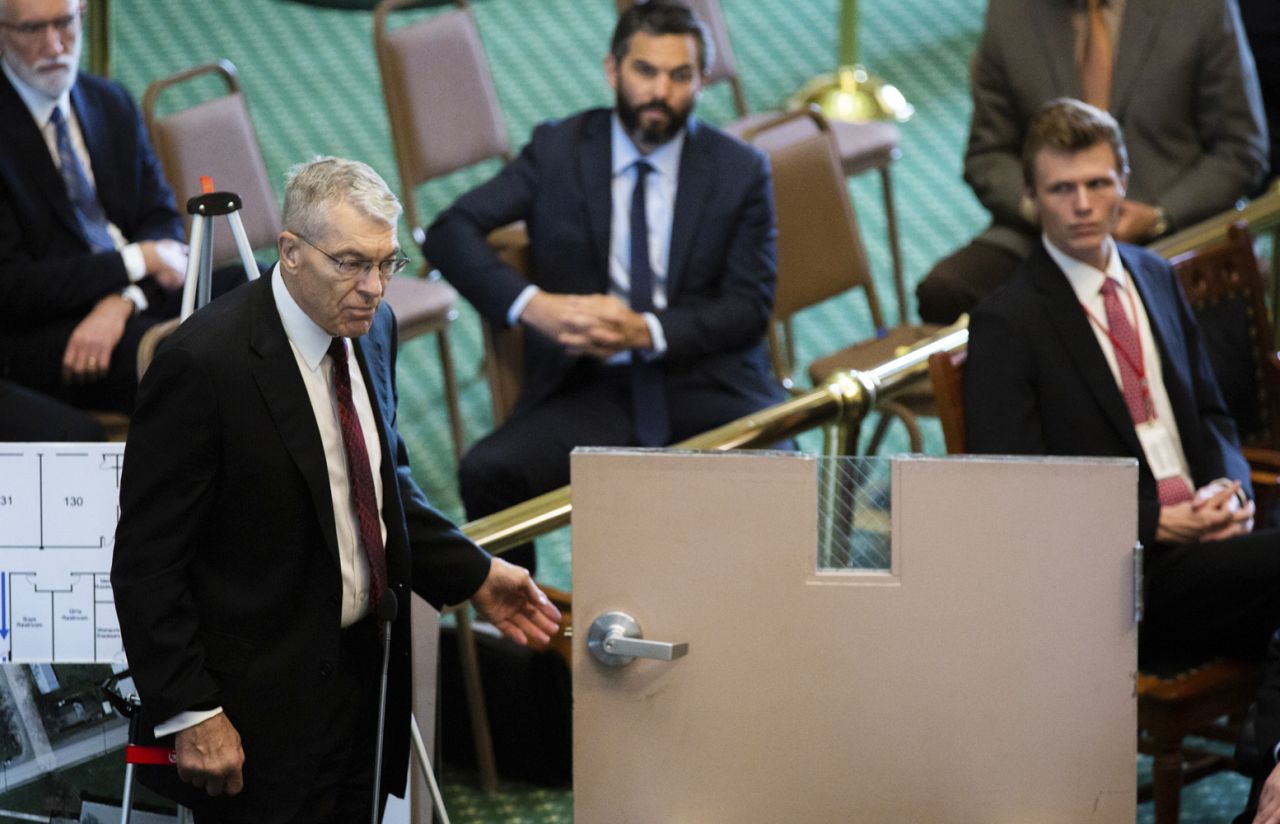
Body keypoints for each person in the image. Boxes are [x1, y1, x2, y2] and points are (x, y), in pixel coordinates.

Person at [111, 156, 562, 823]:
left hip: (364, 683)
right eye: (351, 263)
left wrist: (473, 573)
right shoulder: (203, 365)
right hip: (254, 711)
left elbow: (380, 485)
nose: (374, 288)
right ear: (290, 252)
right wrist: (193, 710)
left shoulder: (373, 329)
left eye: (387, 263)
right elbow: (148, 562)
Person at [423, 0, 786, 571]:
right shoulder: (560, 150)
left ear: (700, 80)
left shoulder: (739, 170)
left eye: (680, 75)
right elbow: (448, 231)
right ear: (612, 71)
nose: (660, 91)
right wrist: (533, 307)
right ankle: (535, 648)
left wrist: (647, 330)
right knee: (487, 474)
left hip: (704, 378)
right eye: (645, 71)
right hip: (590, 388)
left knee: (786, 470)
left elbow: (748, 308)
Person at [965, 98, 1280, 670]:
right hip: (1125, 574)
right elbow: (1018, 493)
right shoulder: (1007, 323)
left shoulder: (1154, 275)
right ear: (1032, 198)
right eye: (1062, 190)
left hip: (1214, 537)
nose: (1083, 205)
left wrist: (1232, 494)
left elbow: (1212, 416)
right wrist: (1155, 522)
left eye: (1098, 183)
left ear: (1124, 184)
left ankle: (1266, 742)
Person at [915, 0, 1269, 325]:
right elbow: (987, 155)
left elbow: (1241, 151)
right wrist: (1043, 210)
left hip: (1167, 235)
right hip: (1041, 234)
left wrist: (1160, 216)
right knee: (946, 290)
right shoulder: (1012, 12)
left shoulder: (1200, 8)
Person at [0, 0, 193, 416]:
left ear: (82, 15)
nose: (54, 46)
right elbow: (13, 288)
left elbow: (161, 220)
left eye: (64, 23)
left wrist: (121, 300)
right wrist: (137, 260)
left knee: (262, 294)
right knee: (189, 366)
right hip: (50, 331)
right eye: (32, 30)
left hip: (130, 302)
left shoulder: (110, 101)